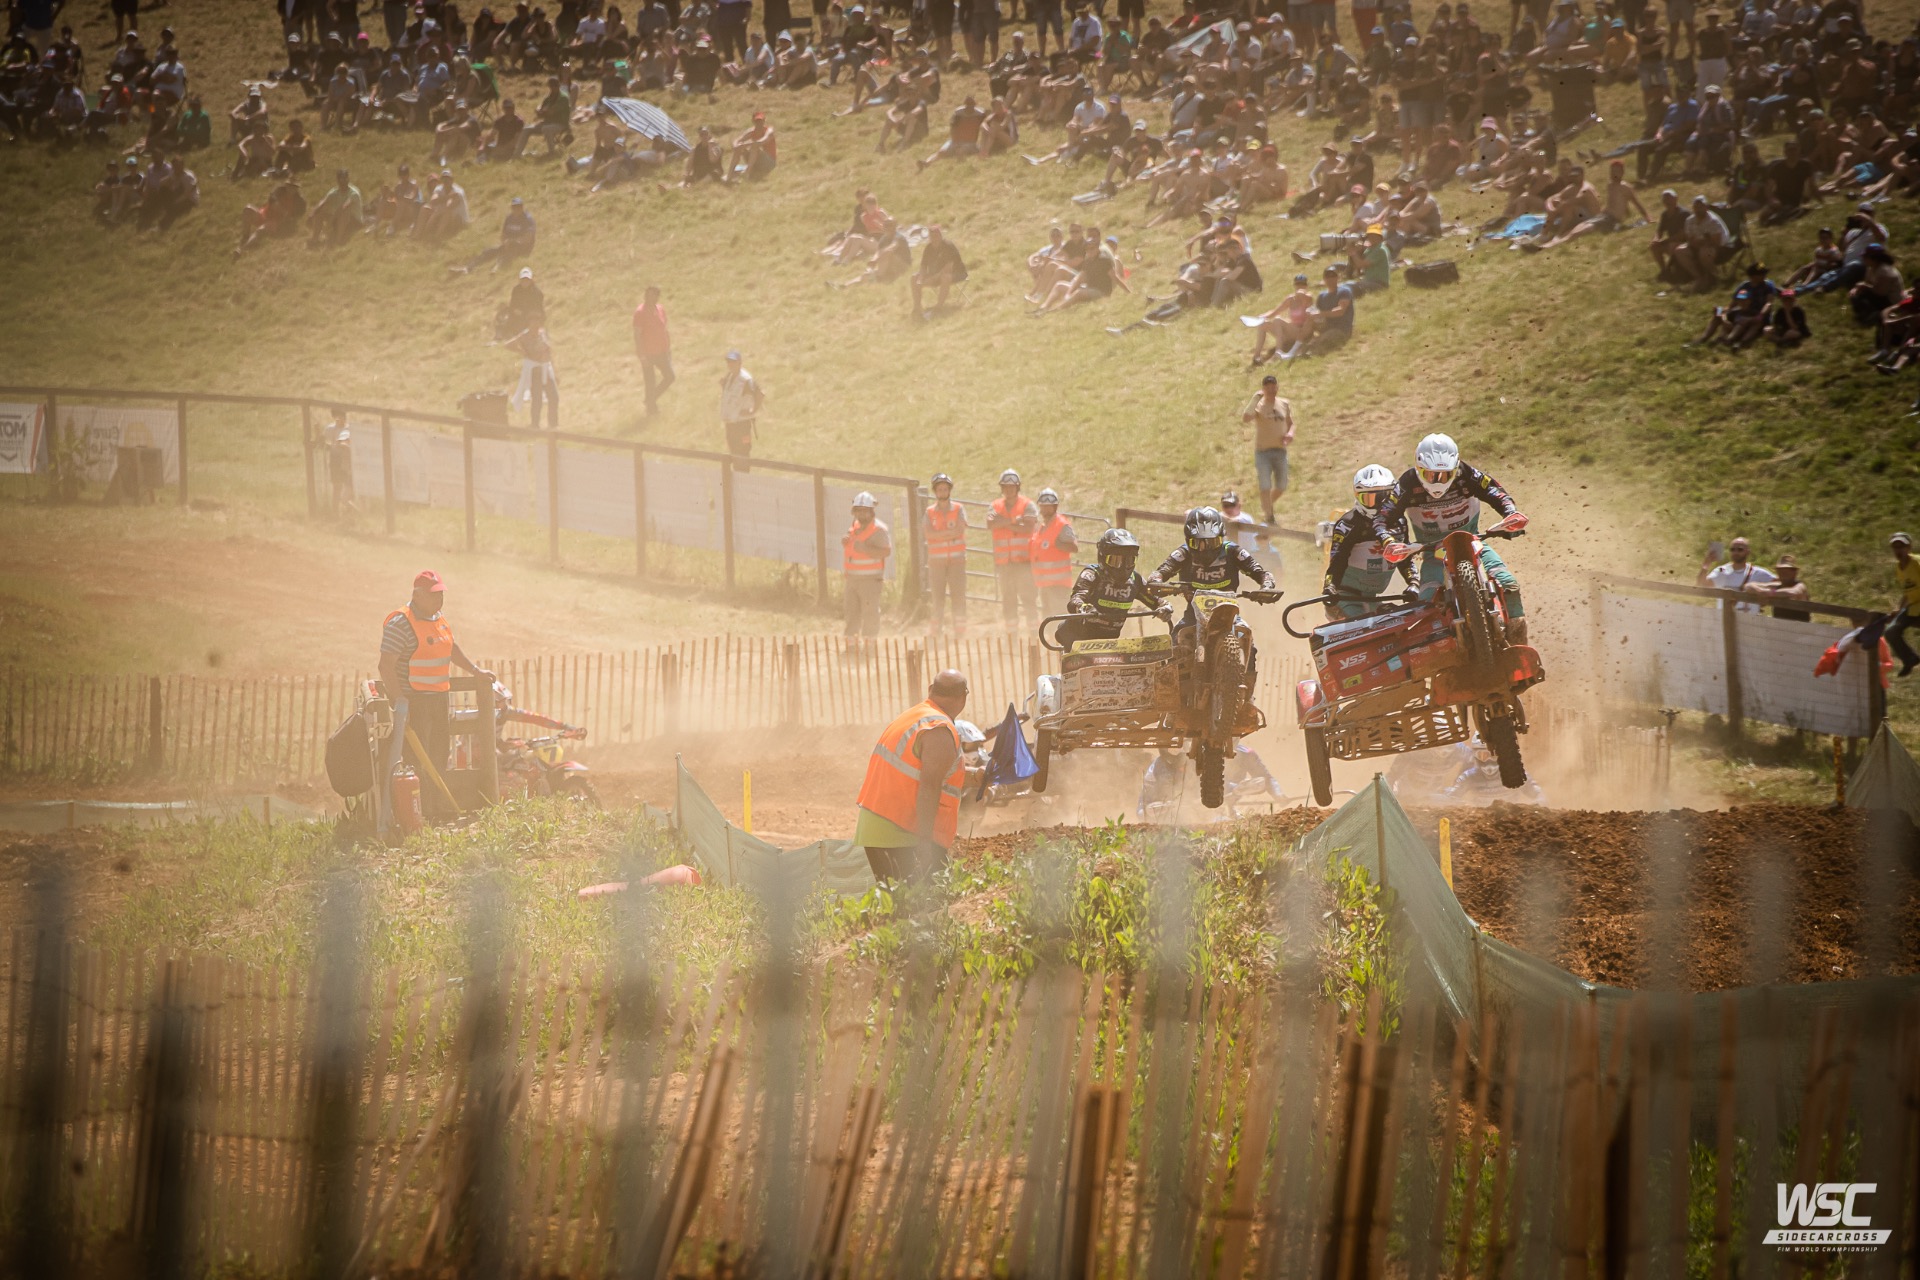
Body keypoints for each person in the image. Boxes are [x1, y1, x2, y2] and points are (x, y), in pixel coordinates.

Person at [1373, 433, 1532, 644]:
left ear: (1456, 467)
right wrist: (1389, 542)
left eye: (1446, 475)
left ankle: (1520, 648)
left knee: (1509, 584)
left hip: (1474, 542)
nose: (1438, 481)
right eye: (1430, 475)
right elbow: (1382, 518)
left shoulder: (1467, 473)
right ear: (1418, 468)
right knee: (1426, 606)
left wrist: (1510, 514)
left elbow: (1495, 491)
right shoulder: (1407, 483)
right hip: (1432, 552)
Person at [378, 570, 494, 824]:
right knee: (417, 759)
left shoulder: (438, 619)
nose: (439, 599)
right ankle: (418, 814)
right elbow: (385, 666)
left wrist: (475, 671)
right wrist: (401, 702)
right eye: (433, 595)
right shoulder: (400, 623)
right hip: (415, 701)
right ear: (417, 595)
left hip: (439, 700)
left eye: (441, 594)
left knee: (439, 756)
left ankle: (436, 810)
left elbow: (450, 648)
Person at [853, 668, 969, 887]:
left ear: (931, 689)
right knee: (925, 900)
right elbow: (929, 787)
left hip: (877, 825)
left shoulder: (915, 716)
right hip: (903, 831)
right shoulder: (939, 729)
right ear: (963, 697)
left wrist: (976, 775)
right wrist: (924, 844)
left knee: (898, 902)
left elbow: (918, 770)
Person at [1322, 464, 1411, 618]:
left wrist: (1414, 583)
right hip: (1343, 599)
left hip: (1372, 600)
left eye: (1383, 498)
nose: (1377, 506)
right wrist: (1330, 587)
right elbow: (1337, 562)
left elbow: (1405, 557)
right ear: (1357, 496)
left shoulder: (1400, 522)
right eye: (1369, 499)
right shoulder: (1348, 525)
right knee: (1366, 624)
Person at [1059, 528, 1165, 649]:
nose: (1123, 567)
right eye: (1116, 561)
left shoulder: (1135, 580)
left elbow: (1155, 600)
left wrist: (1164, 607)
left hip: (1109, 644)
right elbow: (1075, 599)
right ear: (1103, 557)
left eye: (1129, 561)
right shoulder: (1092, 574)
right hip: (1078, 641)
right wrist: (1084, 608)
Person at [987, 468, 1039, 631]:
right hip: (1004, 564)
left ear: (1017, 487)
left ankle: (1034, 635)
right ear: (1002, 488)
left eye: (1012, 487)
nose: (1009, 490)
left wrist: (1004, 522)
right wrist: (1015, 522)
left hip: (1024, 562)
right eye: (1006, 487)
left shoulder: (1027, 505)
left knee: (1028, 599)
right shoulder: (995, 505)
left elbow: (1029, 528)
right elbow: (990, 524)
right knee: (1008, 601)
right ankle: (1012, 637)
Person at [1241, 375, 1294, 524]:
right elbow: (1245, 418)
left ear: (1277, 387)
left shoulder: (1284, 403)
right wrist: (1254, 400)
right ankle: (1269, 516)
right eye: (1268, 388)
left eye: (1273, 387)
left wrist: (1290, 434)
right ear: (1263, 389)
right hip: (1263, 452)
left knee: (1281, 485)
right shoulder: (1259, 406)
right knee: (1265, 485)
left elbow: (1291, 423)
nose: (1271, 390)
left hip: (1280, 451)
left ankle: (1266, 505)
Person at [843, 491, 890, 649]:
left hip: (870, 580)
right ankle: (851, 644)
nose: (861, 514)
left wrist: (865, 549)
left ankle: (870, 645)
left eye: (865, 511)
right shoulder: (853, 527)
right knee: (851, 612)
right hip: (852, 579)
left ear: (871, 511)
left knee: (870, 613)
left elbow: (886, 552)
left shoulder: (879, 530)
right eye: (858, 511)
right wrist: (846, 542)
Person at [924, 472, 969, 637]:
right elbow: (928, 534)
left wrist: (939, 534)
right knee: (938, 597)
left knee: (958, 595)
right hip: (936, 563)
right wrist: (949, 534)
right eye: (939, 489)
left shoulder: (958, 509)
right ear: (935, 491)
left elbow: (960, 530)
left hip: (957, 561)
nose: (942, 492)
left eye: (945, 489)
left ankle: (960, 630)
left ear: (949, 490)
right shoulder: (929, 512)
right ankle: (936, 630)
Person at [1028, 488, 1079, 620]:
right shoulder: (1042, 526)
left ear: (1054, 507)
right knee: (1047, 617)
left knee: (1059, 616)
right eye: (1042, 506)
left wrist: (1058, 544)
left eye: (1048, 506)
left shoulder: (1061, 525)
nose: (1045, 509)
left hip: (1059, 584)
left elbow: (1074, 547)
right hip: (1044, 583)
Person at [451, 195, 535, 274]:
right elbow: (503, 234)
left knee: (508, 253)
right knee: (488, 251)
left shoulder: (527, 219)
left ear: (522, 207)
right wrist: (505, 242)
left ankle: (497, 269)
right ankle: (468, 268)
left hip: (523, 248)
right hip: (507, 245)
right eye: (514, 207)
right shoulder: (509, 218)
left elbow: (528, 238)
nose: (516, 209)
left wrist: (512, 242)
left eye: (519, 206)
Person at [1696, 534, 1777, 612]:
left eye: (1740, 549)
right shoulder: (1722, 570)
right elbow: (1702, 584)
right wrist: (1706, 565)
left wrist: (1765, 593)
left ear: (1748, 552)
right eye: (1732, 549)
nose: (1736, 552)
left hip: (1750, 619)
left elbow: (1779, 584)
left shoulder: (1757, 572)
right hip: (1725, 618)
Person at [911, 225, 968, 320]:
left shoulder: (948, 246)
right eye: (932, 236)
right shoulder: (928, 248)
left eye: (936, 236)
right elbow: (923, 266)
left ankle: (939, 307)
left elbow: (949, 267)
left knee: (945, 277)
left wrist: (934, 278)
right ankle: (917, 307)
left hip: (957, 273)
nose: (934, 238)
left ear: (940, 236)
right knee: (914, 277)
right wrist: (920, 279)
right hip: (935, 274)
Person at [632, 285, 674, 416]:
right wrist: (642, 356)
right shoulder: (640, 312)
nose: (648, 297)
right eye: (647, 295)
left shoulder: (660, 309)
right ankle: (651, 409)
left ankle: (649, 399)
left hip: (662, 351)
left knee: (670, 377)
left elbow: (664, 329)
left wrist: (668, 348)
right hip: (648, 354)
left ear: (657, 297)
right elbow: (637, 335)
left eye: (652, 295)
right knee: (650, 382)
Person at [719, 349, 764, 462]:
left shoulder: (746, 379)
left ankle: (743, 473)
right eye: (729, 362)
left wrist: (753, 410)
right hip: (730, 423)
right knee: (733, 453)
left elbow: (760, 394)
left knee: (743, 453)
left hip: (742, 424)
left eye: (733, 362)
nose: (730, 364)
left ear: (740, 362)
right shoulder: (729, 377)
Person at [1887, 532, 1919, 676]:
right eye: (1895, 547)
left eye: (1902, 546)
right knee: (1891, 631)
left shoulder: (1917, 562)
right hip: (1913, 607)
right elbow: (1908, 591)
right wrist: (1899, 608)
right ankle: (1910, 659)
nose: (1898, 550)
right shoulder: (1899, 568)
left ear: (1909, 547)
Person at [318, 405, 356, 513]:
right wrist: (320, 439)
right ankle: (335, 513)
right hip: (335, 460)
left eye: (342, 416)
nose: (339, 419)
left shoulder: (349, 429)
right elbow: (323, 441)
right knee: (336, 487)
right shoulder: (330, 428)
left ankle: (350, 512)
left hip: (347, 460)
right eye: (336, 416)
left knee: (348, 488)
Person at [1759, 554, 1812, 622]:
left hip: (1799, 627)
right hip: (1779, 626)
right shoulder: (1777, 585)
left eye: (1787, 571)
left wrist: (1770, 593)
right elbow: (1750, 586)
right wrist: (1760, 591)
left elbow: (1793, 592)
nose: (1783, 574)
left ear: (1794, 572)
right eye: (1780, 571)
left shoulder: (1800, 586)